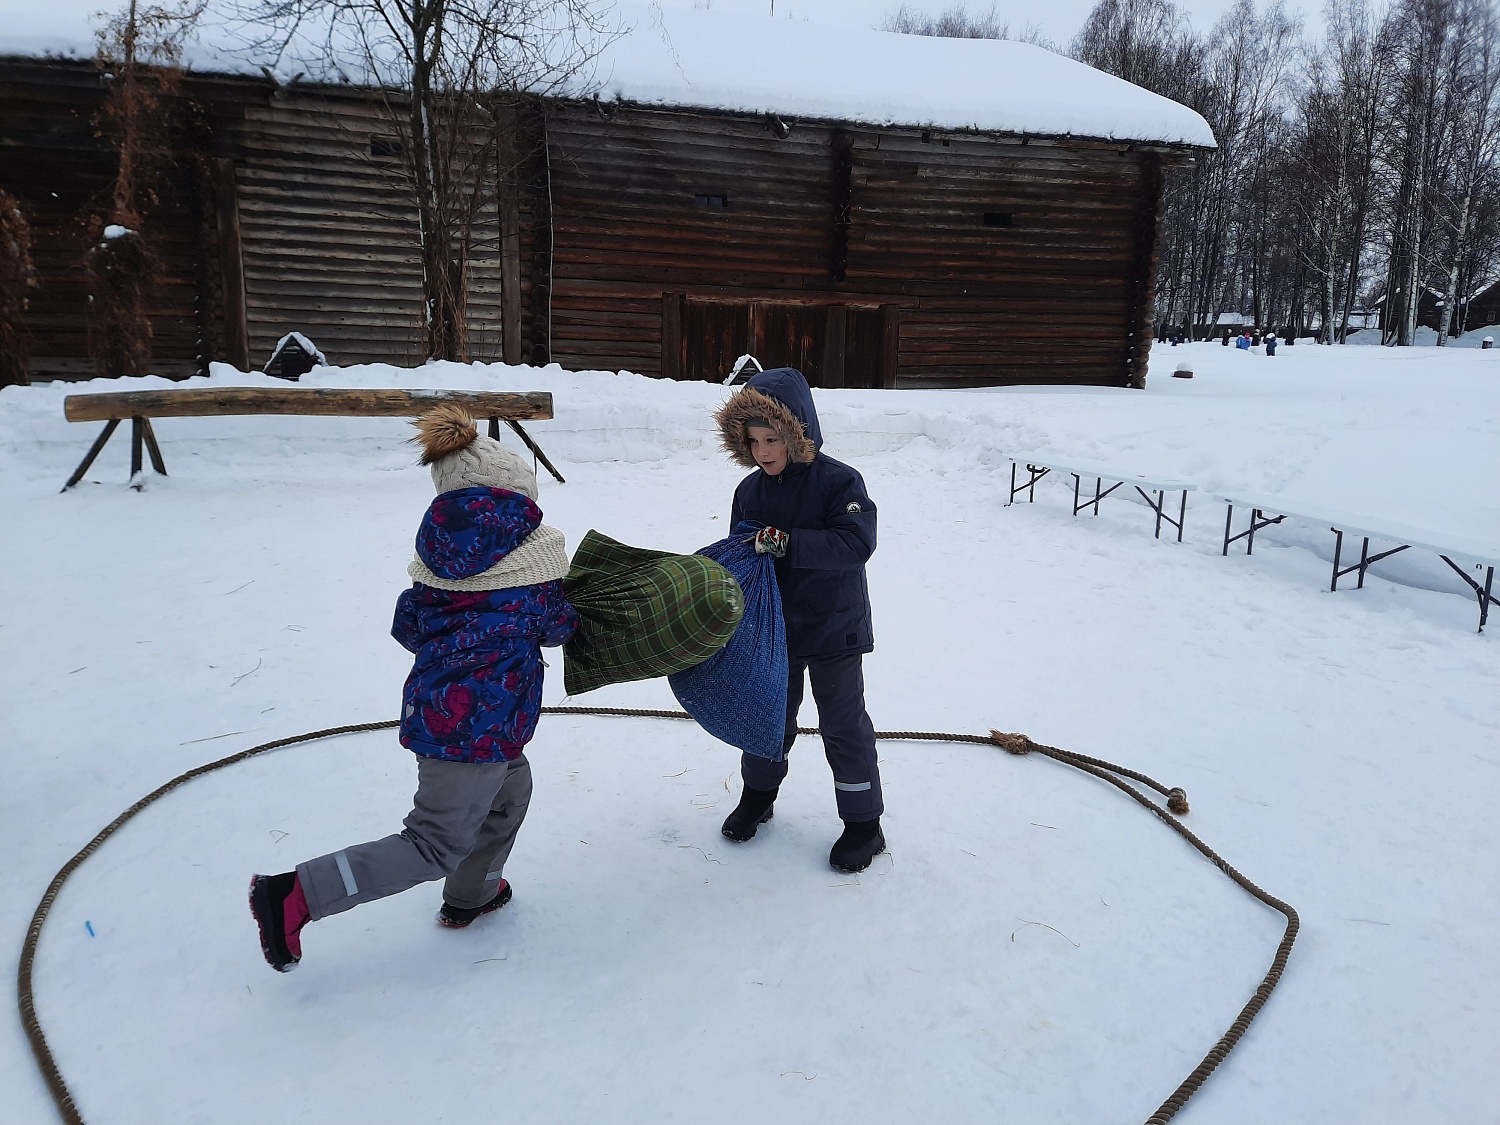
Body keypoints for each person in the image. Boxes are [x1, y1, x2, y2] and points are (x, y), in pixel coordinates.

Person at [249, 405, 577, 972]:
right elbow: (562, 627)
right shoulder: (533, 588)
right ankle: (297, 893)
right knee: (432, 844)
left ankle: (471, 893)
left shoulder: (431, 579)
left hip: (447, 723)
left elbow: (407, 628)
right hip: (479, 737)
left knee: (508, 796)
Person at [712, 367, 885, 873]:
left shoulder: (839, 481)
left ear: (797, 433)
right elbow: (742, 551)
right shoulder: (750, 491)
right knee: (766, 716)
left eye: (772, 439)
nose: (763, 450)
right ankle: (758, 796)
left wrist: (789, 544)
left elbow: (856, 544)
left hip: (834, 628)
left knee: (842, 723)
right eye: (753, 440)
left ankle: (863, 823)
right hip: (774, 630)